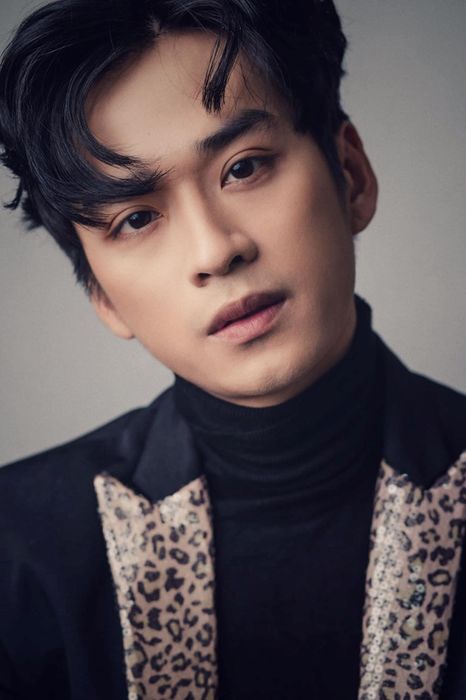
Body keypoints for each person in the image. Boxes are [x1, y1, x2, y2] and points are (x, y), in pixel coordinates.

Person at [0, 1, 464, 698]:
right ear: (101, 295)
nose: (215, 250)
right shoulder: (18, 550)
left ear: (351, 175)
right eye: (136, 218)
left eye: (244, 168)